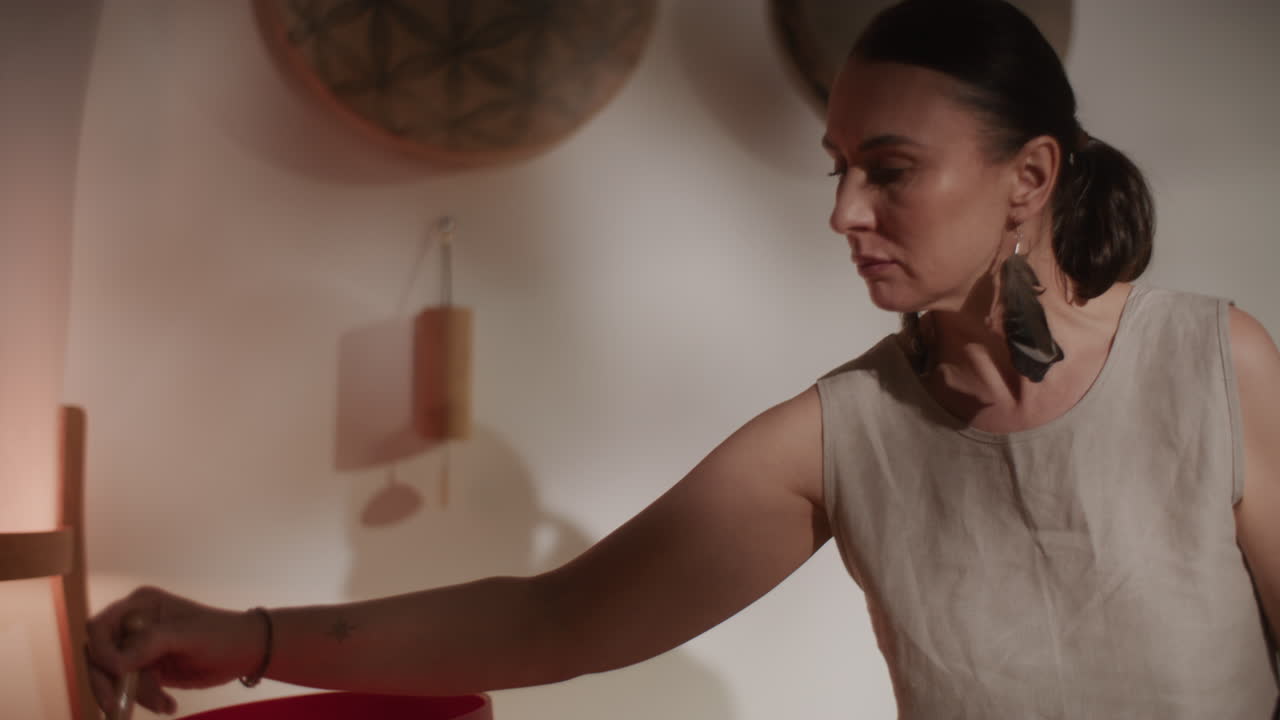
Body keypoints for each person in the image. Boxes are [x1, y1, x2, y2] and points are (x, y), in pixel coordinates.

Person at [87, 0, 1280, 716]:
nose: (844, 213)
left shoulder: (1211, 366)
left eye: (890, 169)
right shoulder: (835, 442)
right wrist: (244, 639)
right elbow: (549, 623)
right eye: (837, 168)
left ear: (1027, 179)